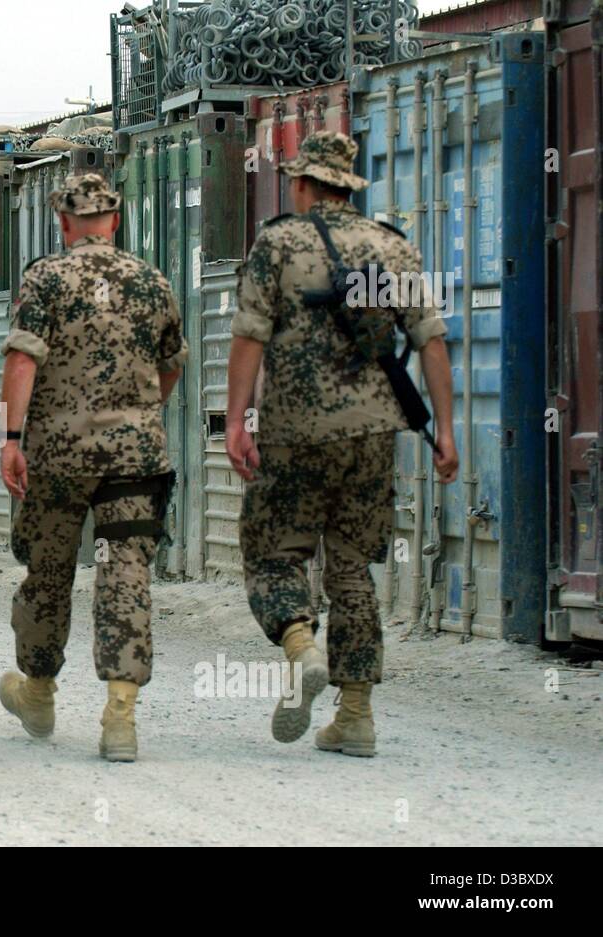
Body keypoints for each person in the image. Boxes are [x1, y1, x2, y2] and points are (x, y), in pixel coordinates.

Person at [226, 131, 458, 757]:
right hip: (372, 434)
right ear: (350, 186)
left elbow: (250, 335)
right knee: (352, 567)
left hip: (294, 433)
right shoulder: (392, 247)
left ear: (303, 185)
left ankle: (301, 646)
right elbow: (431, 341)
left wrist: (235, 422)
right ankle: (355, 716)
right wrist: (447, 434)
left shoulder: (278, 242)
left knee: (273, 552)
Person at [0, 173, 185, 762]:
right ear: (116, 221)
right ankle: (120, 719)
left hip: (58, 455)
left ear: (63, 223)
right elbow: (171, 365)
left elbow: (23, 359)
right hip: (134, 458)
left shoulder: (45, 278)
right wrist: (140, 414)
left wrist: (9, 437)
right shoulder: (151, 282)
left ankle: (39, 691)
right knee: (126, 574)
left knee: (48, 573)